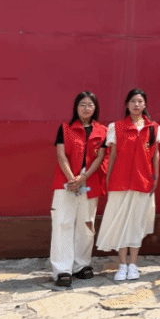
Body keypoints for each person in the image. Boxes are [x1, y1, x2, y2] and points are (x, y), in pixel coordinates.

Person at [96, 89, 160, 281]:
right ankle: (122, 265)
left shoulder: (153, 128)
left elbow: (156, 154)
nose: (136, 105)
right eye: (133, 101)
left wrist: (155, 177)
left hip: (143, 181)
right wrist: (108, 178)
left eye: (140, 101)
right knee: (120, 223)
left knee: (136, 224)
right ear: (127, 104)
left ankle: (133, 264)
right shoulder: (116, 127)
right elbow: (112, 155)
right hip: (120, 181)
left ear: (145, 104)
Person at [50, 91, 107, 287]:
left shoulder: (102, 130)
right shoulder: (65, 128)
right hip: (65, 182)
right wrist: (72, 179)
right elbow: (61, 155)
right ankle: (62, 269)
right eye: (82, 104)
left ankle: (82, 265)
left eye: (90, 105)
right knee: (63, 223)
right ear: (76, 107)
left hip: (90, 182)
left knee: (86, 224)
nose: (86, 108)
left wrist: (84, 177)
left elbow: (100, 157)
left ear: (95, 108)